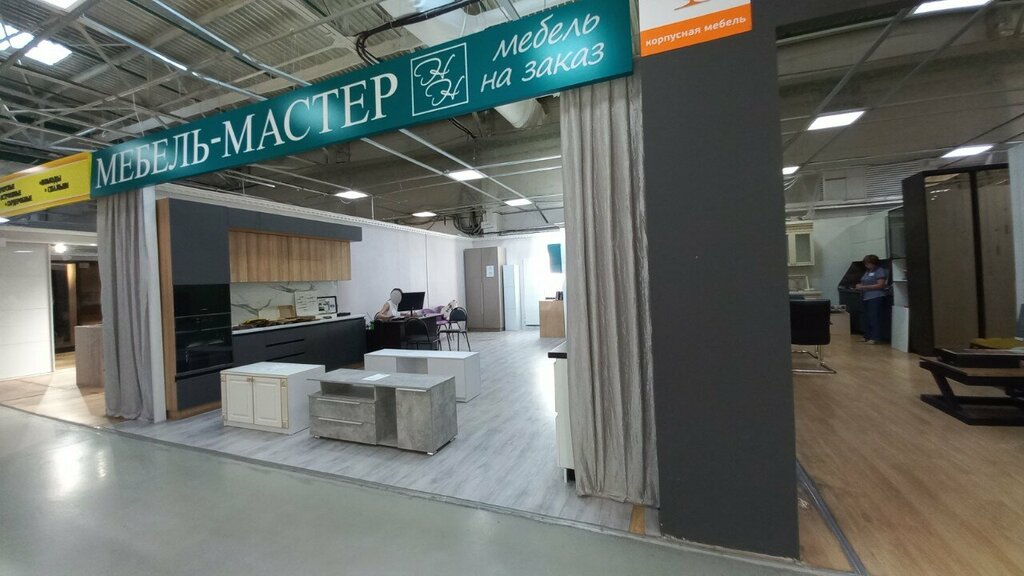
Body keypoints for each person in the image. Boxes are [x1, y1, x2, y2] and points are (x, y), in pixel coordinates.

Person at [855, 255, 888, 344]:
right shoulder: (868, 271)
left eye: (868, 263)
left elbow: (881, 285)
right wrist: (860, 285)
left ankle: (875, 337)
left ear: (874, 263)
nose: (866, 265)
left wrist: (863, 287)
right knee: (866, 317)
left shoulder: (880, 271)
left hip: (876, 296)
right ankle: (867, 336)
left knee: (874, 317)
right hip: (866, 297)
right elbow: (864, 281)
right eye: (866, 264)